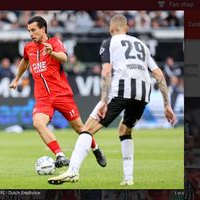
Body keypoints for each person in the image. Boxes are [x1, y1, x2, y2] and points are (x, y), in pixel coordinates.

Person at [48, 14, 176, 185]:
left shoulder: (109, 42)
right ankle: (128, 179)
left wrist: (103, 100)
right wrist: (167, 105)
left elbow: (106, 71)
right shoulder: (142, 45)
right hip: (143, 93)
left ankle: (72, 171)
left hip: (121, 90)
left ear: (110, 29)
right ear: (127, 28)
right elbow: (159, 75)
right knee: (124, 130)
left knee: (87, 129)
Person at [10, 16, 106, 168]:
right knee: (38, 123)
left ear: (43, 29)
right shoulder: (29, 47)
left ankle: (96, 149)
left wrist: (52, 53)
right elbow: (25, 61)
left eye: (33, 30)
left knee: (81, 129)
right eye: (29, 31)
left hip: (62, 95)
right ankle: (60, 155)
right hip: (43, 98)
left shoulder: (54, 43)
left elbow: (64, 58)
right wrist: (17, 79)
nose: (31, 34)